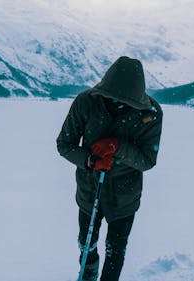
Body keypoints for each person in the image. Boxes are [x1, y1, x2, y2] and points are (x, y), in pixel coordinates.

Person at [56, 56, 163, 281]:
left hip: (125, 197)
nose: (116, 102)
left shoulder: (151, 113)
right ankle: (88, 274)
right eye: (111, 97)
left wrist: (119, 147)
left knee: (115, 251)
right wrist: (90, 161)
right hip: (89, 191)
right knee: (86, 244)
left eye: (125, 101)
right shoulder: (85, 102)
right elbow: (64, 144)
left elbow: (147, 160)